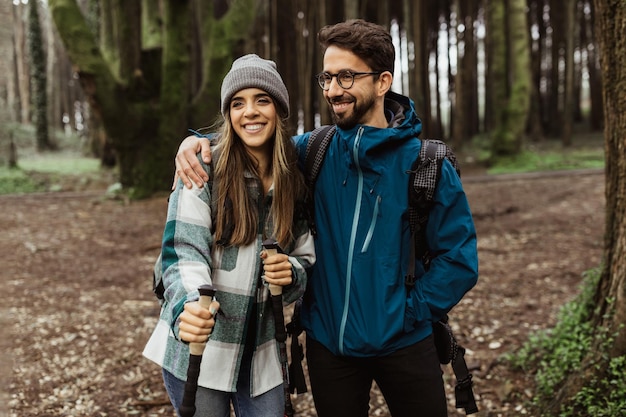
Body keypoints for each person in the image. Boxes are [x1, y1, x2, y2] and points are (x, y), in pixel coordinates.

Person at [173, 20, 478, 417]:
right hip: (329, 348)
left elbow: (458, 259)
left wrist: (408, 312)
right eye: (327, 77)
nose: (333, 90)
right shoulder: (313, 150)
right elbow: (254, 139)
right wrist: (197, 142)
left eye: (347, 76)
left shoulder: (427, 164)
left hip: (406, 341)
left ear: (383, 81)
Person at [143, 54, 316, 417]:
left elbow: (305, 258)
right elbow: (183, 252)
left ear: (279, 109)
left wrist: (293, 272)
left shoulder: (294, 181)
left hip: (263, 354)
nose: (249, 111)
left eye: (262, 100)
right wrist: (189, 305)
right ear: (228, 114)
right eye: (238, 103)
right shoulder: (202, 168)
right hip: (200, 350)